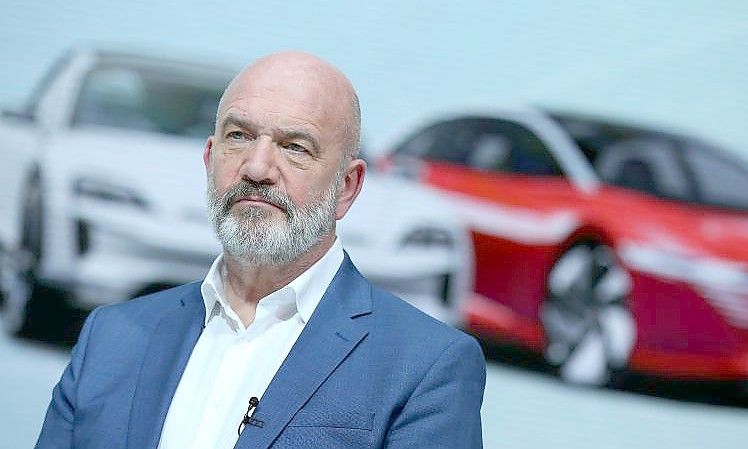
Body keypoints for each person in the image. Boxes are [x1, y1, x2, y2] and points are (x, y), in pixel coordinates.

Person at [34, 51, 486, 449]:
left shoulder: (428, 365)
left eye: (294, 147)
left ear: (347, 187)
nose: (257, 167)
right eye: (238, 137)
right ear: (210, 160)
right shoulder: (111, 336)